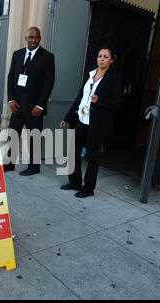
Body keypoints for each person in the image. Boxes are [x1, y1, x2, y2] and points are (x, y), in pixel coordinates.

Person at [60, 47, 123, 198]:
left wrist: (100, 100)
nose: (101, 59)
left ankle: (88, 188)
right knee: (73, 152)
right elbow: (80, 98)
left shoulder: (114, 78)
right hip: (81, 120)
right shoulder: (90, 74)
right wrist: (67, 117)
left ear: (111, 60)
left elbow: (117, 105)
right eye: (100, 56)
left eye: (105, 57)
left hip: (97, 123)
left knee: (93, 157)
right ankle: (74, 182)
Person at [3, 26, 55, 176]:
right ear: (26, 38)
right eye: (31, 37)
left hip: (34, 106)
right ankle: (9, 163)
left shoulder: (47, 57)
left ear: (40, 38)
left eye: (36, 37)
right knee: (13, 133)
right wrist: (11, 100)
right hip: (17, 105)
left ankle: (34, 167)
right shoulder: (17, 54)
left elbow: (48, 82)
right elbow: (11, 77)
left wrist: (40, 105)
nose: (33, 40)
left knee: (34, 137)